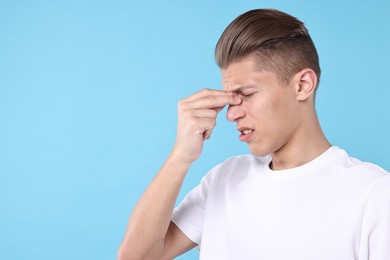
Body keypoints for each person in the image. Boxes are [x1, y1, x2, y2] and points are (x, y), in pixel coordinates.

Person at [117, 9, 390, 260]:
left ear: (303, 85)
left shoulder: (374, 194)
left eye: (246, 94)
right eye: (231, 99)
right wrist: (180, 156)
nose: (231, 114)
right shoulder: (224, 179)